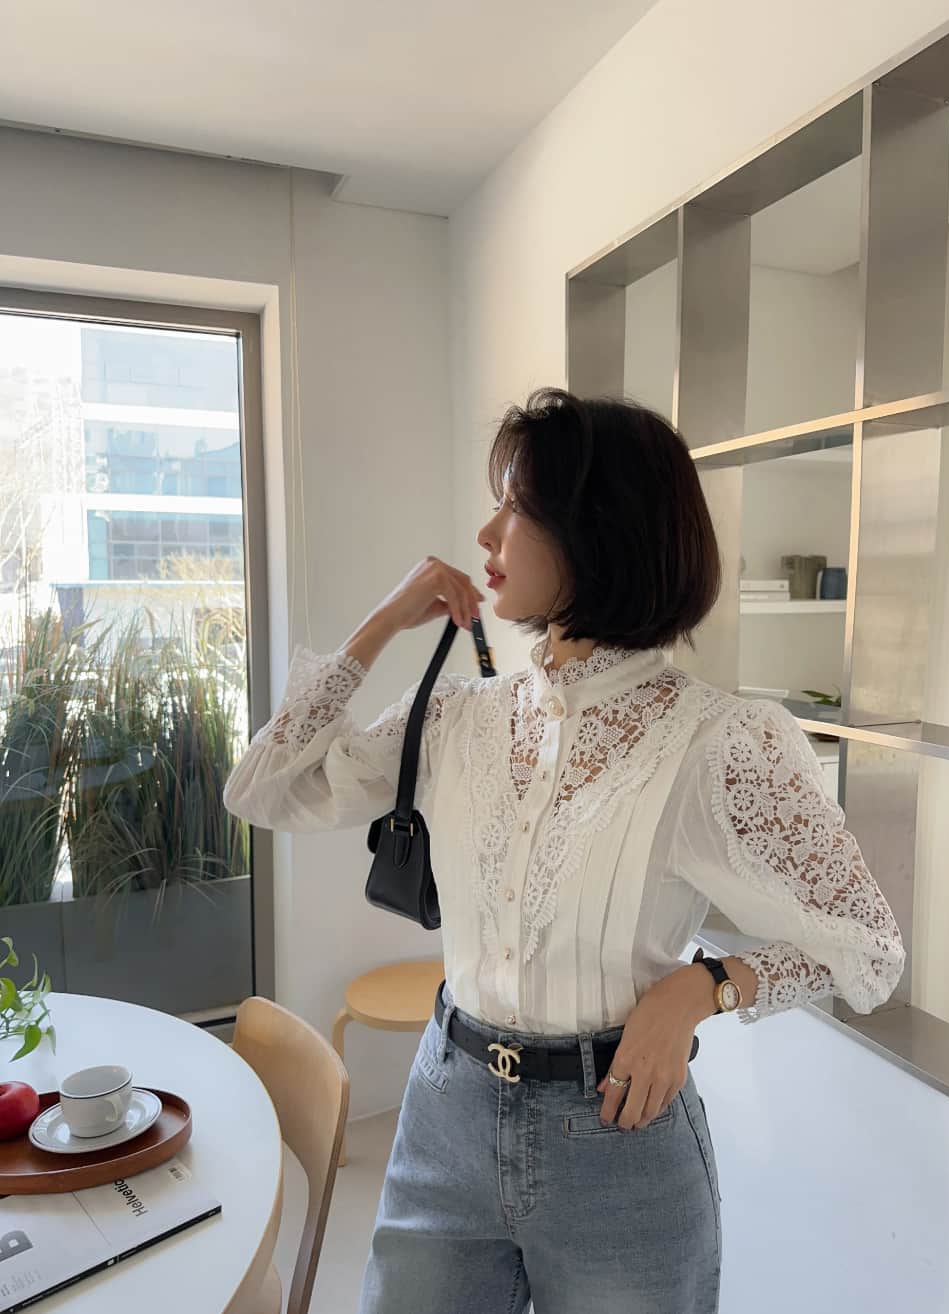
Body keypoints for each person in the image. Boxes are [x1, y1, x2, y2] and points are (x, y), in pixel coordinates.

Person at [223, 388, 905, 1314]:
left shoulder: (717, 742)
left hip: (620, 1138)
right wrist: (383, 620)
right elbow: (262, 790)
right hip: (446, 1114)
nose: (486, 533)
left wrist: (700, 988)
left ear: (599, 530)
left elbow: (866, 946)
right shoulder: (461, 717)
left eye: (518, 506)